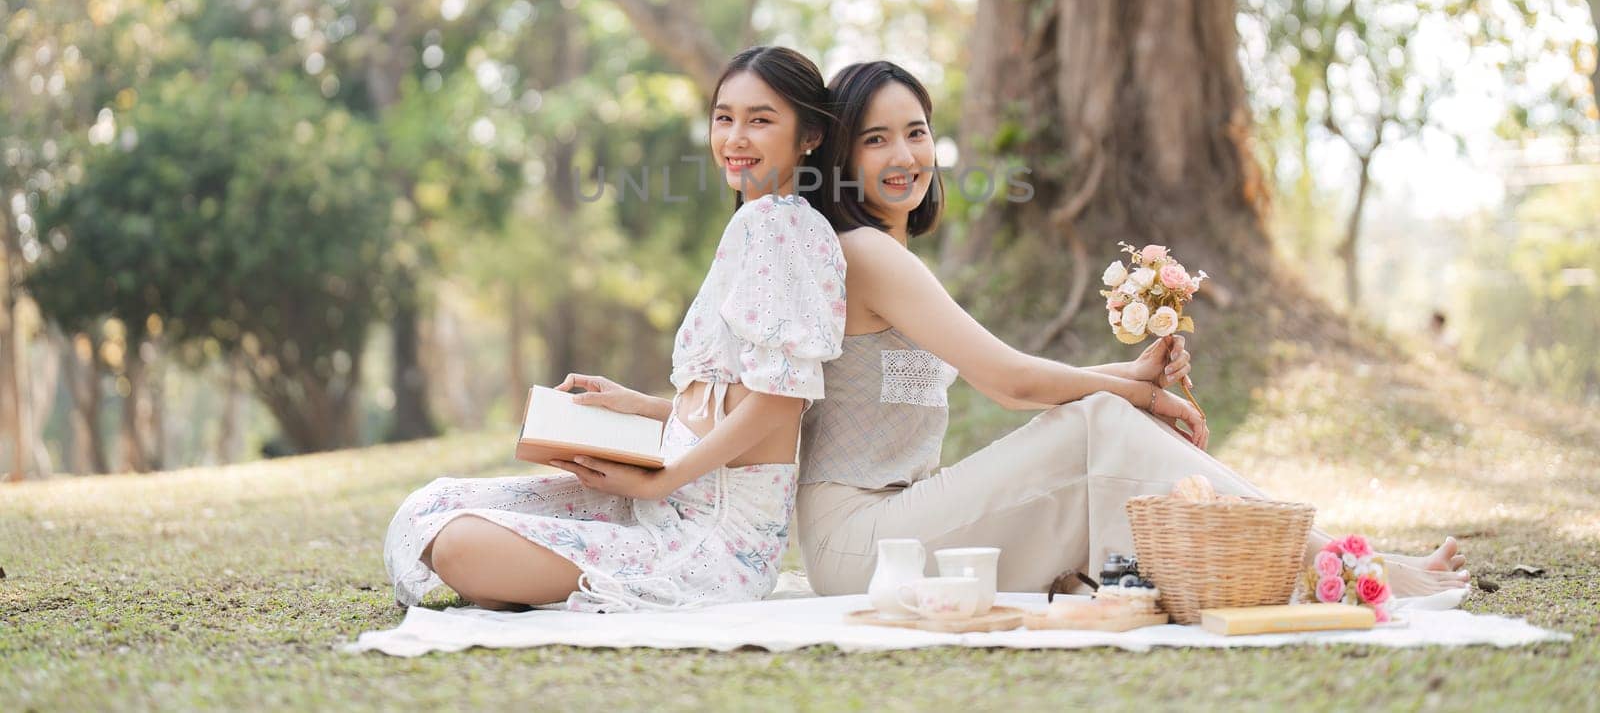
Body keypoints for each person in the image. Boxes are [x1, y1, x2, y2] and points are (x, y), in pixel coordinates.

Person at [795, 60, 1469, 597]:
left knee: (1102, 422)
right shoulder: (863, 251)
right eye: (875, 138)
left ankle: (1324, 557)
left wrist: (1128, 378)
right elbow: (1005, 377)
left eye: (915, 131)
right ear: (841, 158)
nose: (903, 153)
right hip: (862, 543)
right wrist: (1134, 395)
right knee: (1100, 420)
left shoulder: (886, 252)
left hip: (898, 524)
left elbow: (1012, 369)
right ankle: (1346, 562)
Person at [384, 46, 847, 612]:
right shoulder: (757, 224)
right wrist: (642, 408)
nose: (735, 138)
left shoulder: (784, 226)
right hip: (664, 501)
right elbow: (734, 400)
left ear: (810, 135)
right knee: (440, 505)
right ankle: (530, 576)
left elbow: (780, 406)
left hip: (712, 537)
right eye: (724, 118)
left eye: (760, 120)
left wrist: (661, 479)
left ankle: (531, 578)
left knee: (458, 541)